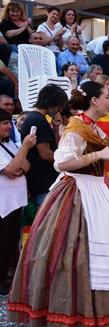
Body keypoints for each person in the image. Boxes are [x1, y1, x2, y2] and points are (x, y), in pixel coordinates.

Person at [7, 81, 109, 327]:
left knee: (95, 254)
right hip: (78, 192)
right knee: (75, 254)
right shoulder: (77, 125)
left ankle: (92, 313)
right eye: (107, 96)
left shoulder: (91, 126)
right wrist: (98, 156)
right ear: (95, 101)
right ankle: (73, 314)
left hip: (95, 191)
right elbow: (61, 161)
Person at [0, 109, 36, 295]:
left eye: (8, 122)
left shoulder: (11, 145)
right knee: (3, 242)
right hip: (3, 205)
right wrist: (24, 149)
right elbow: (12, 168)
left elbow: (25, 166)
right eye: (4, 123)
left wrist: (18, 162)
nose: (8, 126)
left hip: (15, 202)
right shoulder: (16, 146)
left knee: (13, 240)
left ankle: (9, 278)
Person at [20, 84, 68, 208]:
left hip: (41, 184)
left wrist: (55, 128)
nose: (60, 110)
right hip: (44, 184)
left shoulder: (36, 118)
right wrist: (68, 162)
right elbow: (46, 153)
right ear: (52, 102)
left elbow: (51, 147)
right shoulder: (38, 120)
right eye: (59, 105)